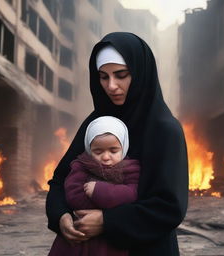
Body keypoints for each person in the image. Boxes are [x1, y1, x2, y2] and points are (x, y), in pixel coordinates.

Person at [46, 32, 188, 256]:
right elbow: (60, 180)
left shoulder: (164, 130)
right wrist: (61, 215)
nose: (111, 86)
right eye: (103, 77)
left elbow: (169, 208)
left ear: (140, 73)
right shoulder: (97, 123)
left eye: (121, 75)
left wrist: (107, 221)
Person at [48, 116, 140, 256]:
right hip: (80, 237)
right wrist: (111, 203)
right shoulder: (81, 165)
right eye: (98, 151)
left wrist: (100, 191)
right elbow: (74, 196)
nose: (106, 157)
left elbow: (132, 194)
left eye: (113, 151)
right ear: (89, 149)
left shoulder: (130, 169)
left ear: (124, 147)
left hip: (111, 242)